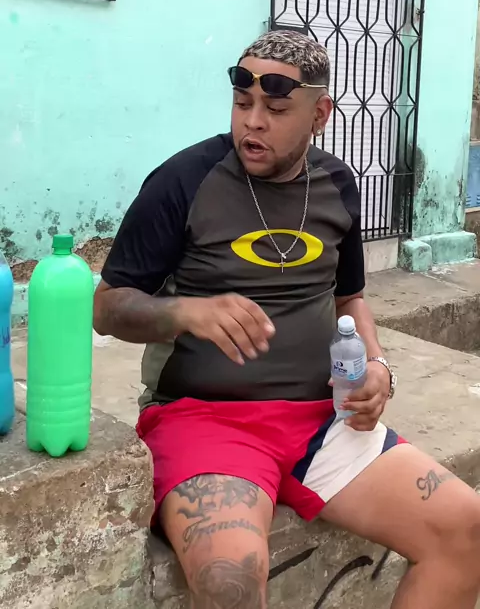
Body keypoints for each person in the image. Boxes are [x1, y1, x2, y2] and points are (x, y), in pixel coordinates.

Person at [94, 31, 480, 609]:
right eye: (241, 104)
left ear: (320, 114)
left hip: (322, 421)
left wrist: (377, 366)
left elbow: (350, 300)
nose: (252, 122)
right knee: (230, 580)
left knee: (466, 532)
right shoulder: (184, 180)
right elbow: (107, 307)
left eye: (275, 110)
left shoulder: (336, 185)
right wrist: (185, 310)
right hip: (204, 421)